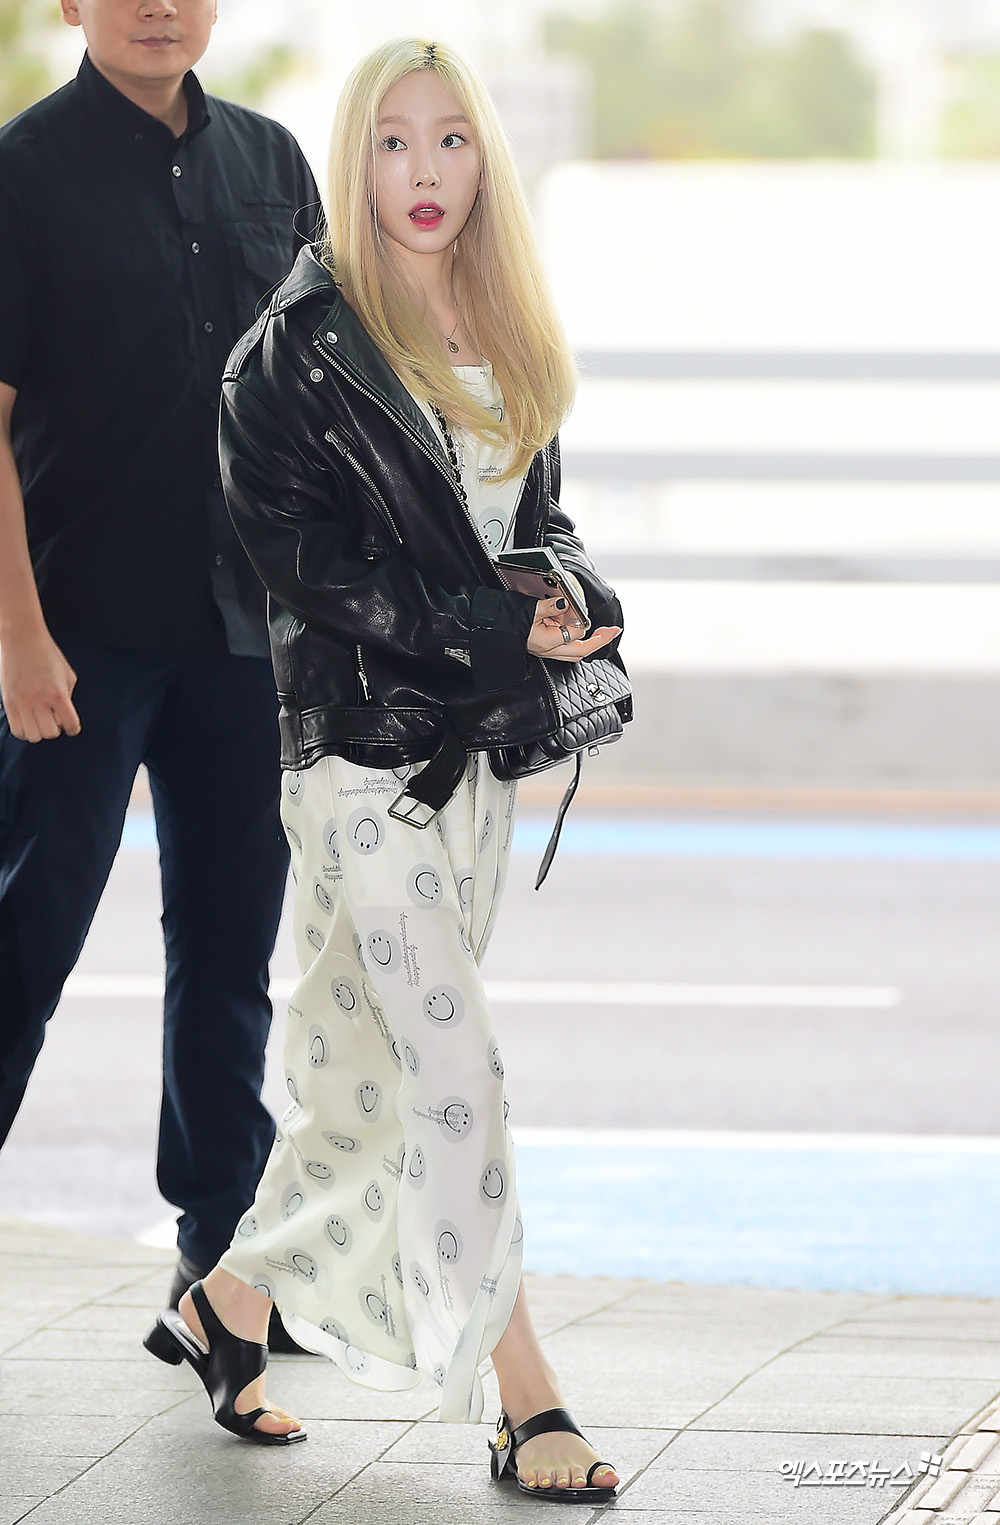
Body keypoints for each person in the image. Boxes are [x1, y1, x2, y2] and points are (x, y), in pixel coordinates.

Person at [142, 37, 626, 1501]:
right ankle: (525, 1396)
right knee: (452, 1063)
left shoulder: (505, 325)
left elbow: (537, 521)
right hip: (361, 761)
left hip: (476, 754)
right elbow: (311, 571)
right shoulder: (291, 351)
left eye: (452, 140)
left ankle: (228, 1301)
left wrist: (578, 597)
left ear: (486, 162)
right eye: (395, 142)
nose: (424, 172)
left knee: (370, 1080)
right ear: (356, 162)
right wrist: (493, 620)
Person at [0, 0, 319, 1342]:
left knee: (231, 954)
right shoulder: (22, 171)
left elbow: (319, 390)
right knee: (25, 937)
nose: (157, 5)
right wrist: (18, 637)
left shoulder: (272, 161)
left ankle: (220, 1268)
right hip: (77, 635)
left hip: (247, 634)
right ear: (70, 5)